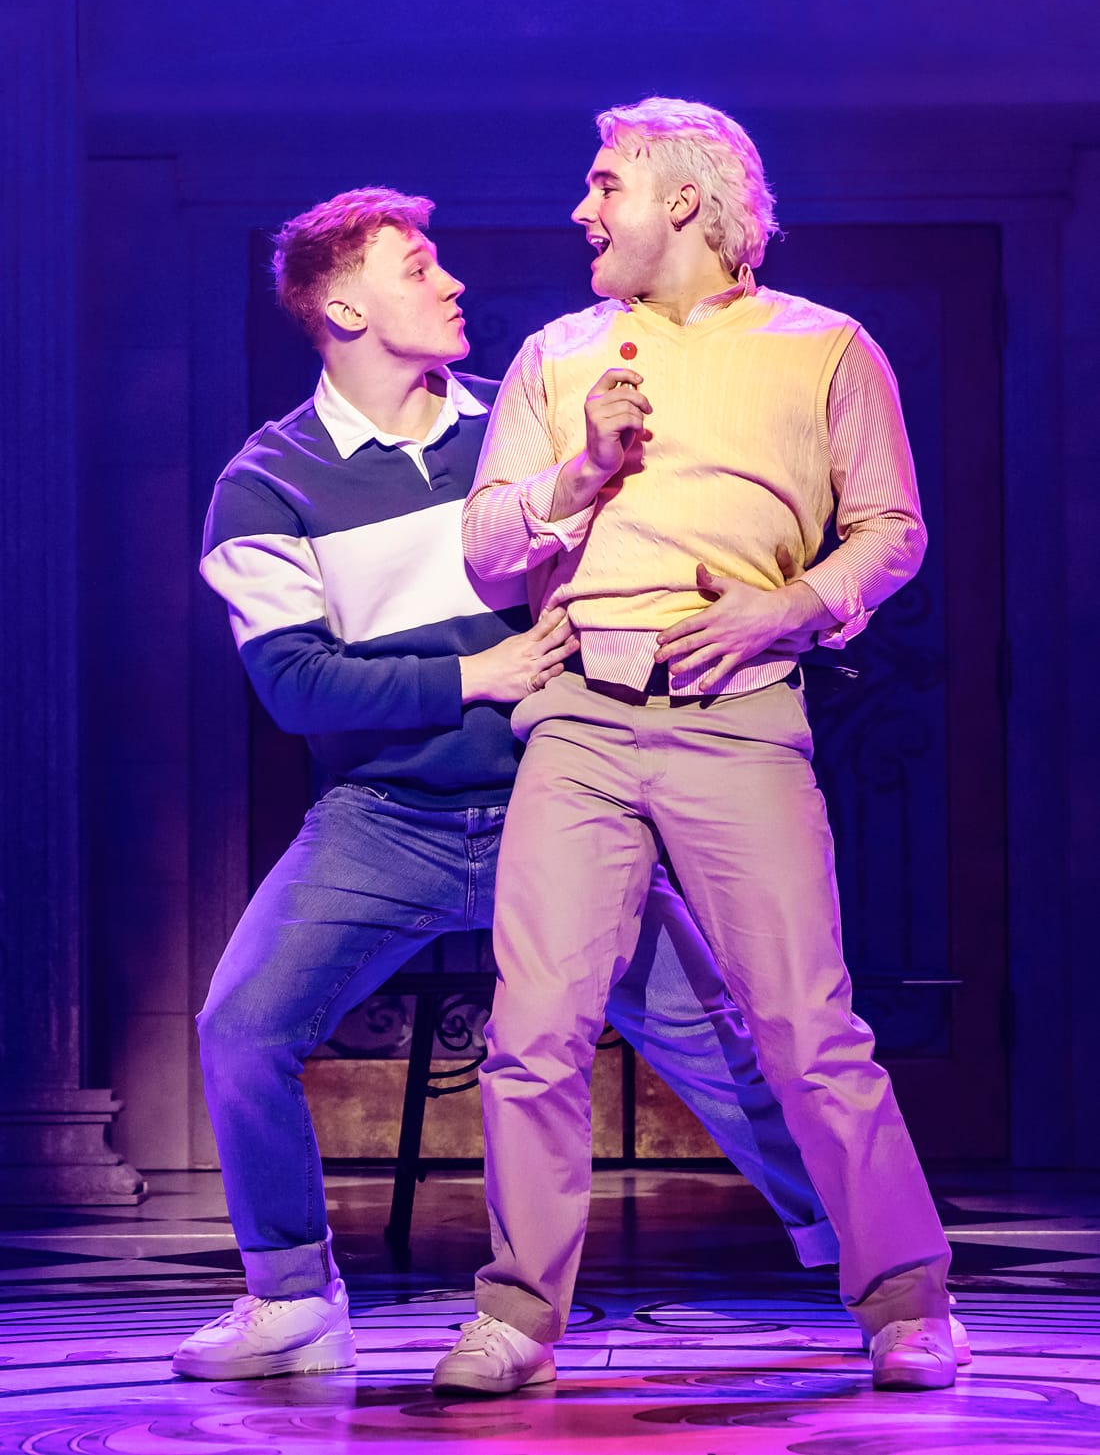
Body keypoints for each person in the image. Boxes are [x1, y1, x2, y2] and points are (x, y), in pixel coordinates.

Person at [171, 184, 846, 1382]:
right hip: (385, 820)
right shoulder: (266, 482)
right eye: (416, 266)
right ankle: (290, 1296)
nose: (452, 282)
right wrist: (472, 674)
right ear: (343, 307)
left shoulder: (522, 418)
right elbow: (295, 686)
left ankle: (868, 1261)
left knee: (726, 1044)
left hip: (558, 797)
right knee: (240, 1022)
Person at [437, 98, 958, 1397]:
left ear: (681, 197)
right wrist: (579, 473)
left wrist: (791, 604)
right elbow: (486, 553)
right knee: (533, 1027)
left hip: (741, 711)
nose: (582, 208)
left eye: (603, 182)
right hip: (580, 713)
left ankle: (905, 1298)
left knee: (806, 1026)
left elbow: (890, 528)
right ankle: (518, 1316)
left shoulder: (825, 347)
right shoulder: (557, 355)